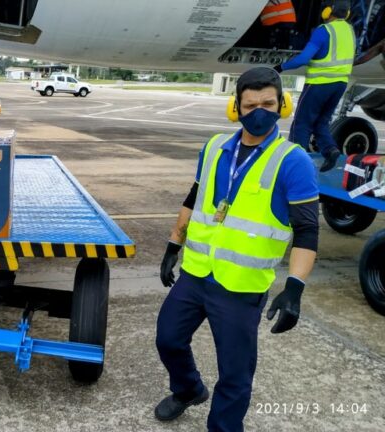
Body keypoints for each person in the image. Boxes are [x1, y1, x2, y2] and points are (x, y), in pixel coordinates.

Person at [155, 67, 320, 432]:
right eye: (250, 104)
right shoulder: (214, 147)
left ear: (283, 105)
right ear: (236, 107)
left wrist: (295, 288)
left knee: (235, 372)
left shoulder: (293, 161)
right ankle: (188, 389)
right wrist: (173, 244)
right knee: (167, 338)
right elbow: (193, 197)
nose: (258, 111)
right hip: (196, 274)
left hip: (241, 287)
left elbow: (307, 231)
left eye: (268, 103)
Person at [274, 0, 355, 172]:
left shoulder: (324, 31)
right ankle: (330, 150)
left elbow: (304, 59)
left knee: (301, 124)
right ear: (347, 14)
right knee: (321, 122)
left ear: (327, 11)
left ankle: (296, 164)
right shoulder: (350, 31)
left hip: (319, 84)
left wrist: (281, 67)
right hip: (340, 84)